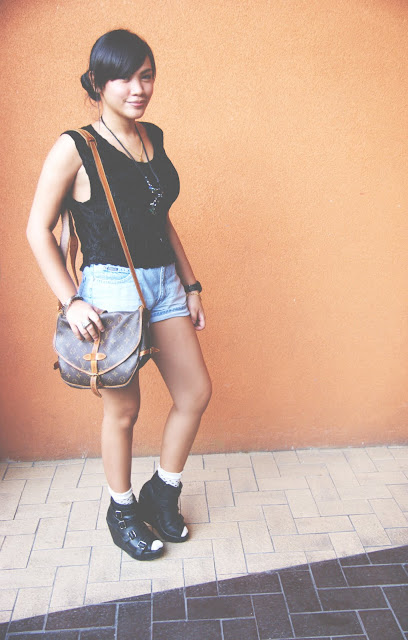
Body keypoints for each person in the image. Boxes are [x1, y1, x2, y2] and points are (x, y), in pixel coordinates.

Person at [26, 29, 212, 561]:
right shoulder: (75, 146)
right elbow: (37, 229)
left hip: (165, 284)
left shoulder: (154, 136)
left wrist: (190, 284)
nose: (138, 88)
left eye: (146, 76)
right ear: (98, 83)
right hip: (109, 291)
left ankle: (163, 492)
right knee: (125, 411)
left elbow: (161, 220)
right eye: (124, 78)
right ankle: (122, 509)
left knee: (195, 393)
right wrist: (71, 300)